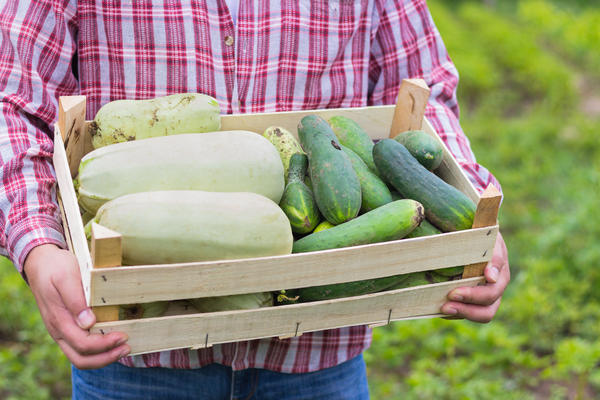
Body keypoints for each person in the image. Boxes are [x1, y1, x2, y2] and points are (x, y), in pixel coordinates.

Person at [0, 0, 510, 398]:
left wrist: (463, 205)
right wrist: (39, 246)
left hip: (319, 348)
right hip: (137, 348)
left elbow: (425, 92)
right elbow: (13, 101)